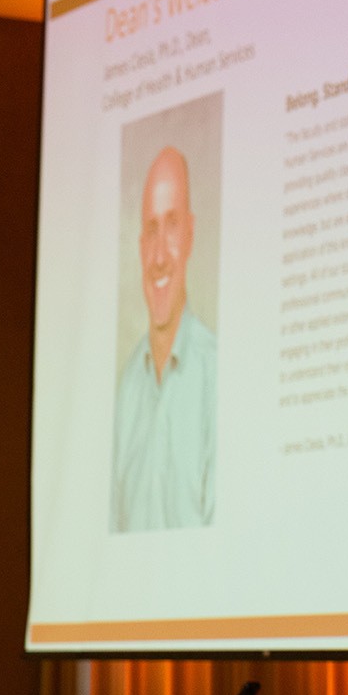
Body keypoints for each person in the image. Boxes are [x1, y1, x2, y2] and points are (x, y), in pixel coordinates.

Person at [112, 145, 217, 532]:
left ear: (190, 236)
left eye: (171, 226)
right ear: (140, 248)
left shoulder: (217, 376)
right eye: (151, 229)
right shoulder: (126, 391)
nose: (159, 256)